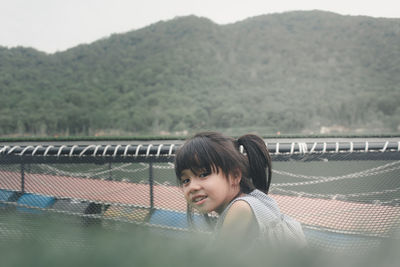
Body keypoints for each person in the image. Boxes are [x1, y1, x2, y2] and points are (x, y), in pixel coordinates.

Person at [174, 131, 306, 247]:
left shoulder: (241, 208)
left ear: (235, 176)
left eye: (203, 174)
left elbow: (216, 260)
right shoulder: (254, 199)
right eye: (186, 180)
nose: (192, 187)